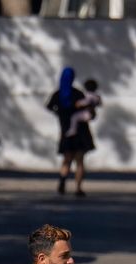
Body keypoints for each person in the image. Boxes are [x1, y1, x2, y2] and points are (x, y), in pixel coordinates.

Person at [46, 67, 96, 197]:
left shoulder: (57, 95)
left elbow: (49, 106)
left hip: (66, 131)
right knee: (79, 161)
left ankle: (62, 181)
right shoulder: (78, 94)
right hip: (81, 132)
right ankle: (78, 188)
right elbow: (89, 110)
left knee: (66, 159)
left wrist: (59, 113)